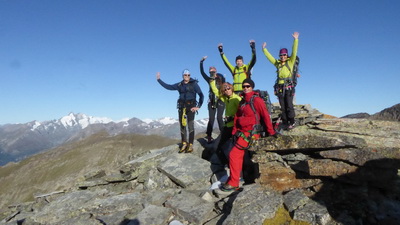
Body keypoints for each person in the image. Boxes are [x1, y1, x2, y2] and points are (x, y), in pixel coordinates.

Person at [214, 79, 276, 195]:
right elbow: (237, 117)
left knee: (234, 154)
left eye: (248, 86)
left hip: (251, 133)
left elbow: (265, 116)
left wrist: (271, 132)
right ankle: (236, 180)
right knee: (238, 156)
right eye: (244, 86)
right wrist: (234, 132)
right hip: (241, 133)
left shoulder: (256, 100)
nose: (246, 88)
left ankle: (234, 182)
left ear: (252, 87)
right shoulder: (242, 101)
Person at [156, 69, 204, 153]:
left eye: (188, 75)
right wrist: (159, 80)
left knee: (190, 126)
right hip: (182, 108)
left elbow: (201, 95)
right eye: (185, 75)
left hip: (191, 107)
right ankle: (184, 143)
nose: (187, 77)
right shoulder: (179, 85)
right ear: (183, 76)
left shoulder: (194, 84)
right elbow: (169, 87)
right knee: (182, 126)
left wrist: (198, 106)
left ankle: (191, 145)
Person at [262, 32, 299, 130]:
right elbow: (270, 58)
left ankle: (292, 121)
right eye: (281, 55)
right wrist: (264, 49)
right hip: (280, 88)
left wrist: (295, 40)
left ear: (287, 55)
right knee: (282, 106)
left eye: (284, 55)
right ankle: (286, 122)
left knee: (289, 105)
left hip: (289, 87)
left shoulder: (290, 62)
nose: (282, 56)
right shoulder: (278, 64)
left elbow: (294, 51)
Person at [209, 79, 241, 166]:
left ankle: (233, 165)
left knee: (235, 149)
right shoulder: (226, 99)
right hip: (227, 127)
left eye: (228, 88)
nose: (227, 91)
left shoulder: (237, 99)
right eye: (225, 90)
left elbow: (242, 113)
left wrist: (232, 118)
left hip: (235, 127)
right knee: (216, 147)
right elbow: (216, 92)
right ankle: (226, 164)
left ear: (232, 88)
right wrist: (212, 82)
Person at [200, 56, 226, 143]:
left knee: (219, 117)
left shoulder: (221, 77)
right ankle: (209, 135)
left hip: (221, 99)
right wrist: (201, 62)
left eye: (213, 71)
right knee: (211, 118)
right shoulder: (209, 79)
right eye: (210, 72)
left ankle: (223, 134)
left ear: (216, 71)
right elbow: (202, 72)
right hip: (212, 100)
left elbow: (225, 85)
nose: (212, 73)